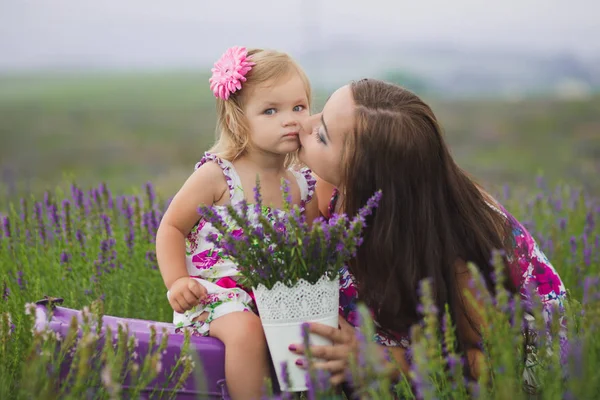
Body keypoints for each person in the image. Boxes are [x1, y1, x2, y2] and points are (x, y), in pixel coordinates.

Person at [288, 78, 566, 388]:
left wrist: (384, 359)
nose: (304, 125)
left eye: (322, 135)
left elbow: (495, 364)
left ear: (365, 175)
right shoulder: (336, 187)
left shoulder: (457, 246)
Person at [156, 46, 318, 400]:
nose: (290, 119)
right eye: (271, 110)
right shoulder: (218, 175)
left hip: (274, 295)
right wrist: (178, 281)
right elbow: (171, 227)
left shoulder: (302, 183)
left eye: (299, 107)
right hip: (216, 295)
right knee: (247, 331)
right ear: (238, 119)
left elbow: (312, 245)